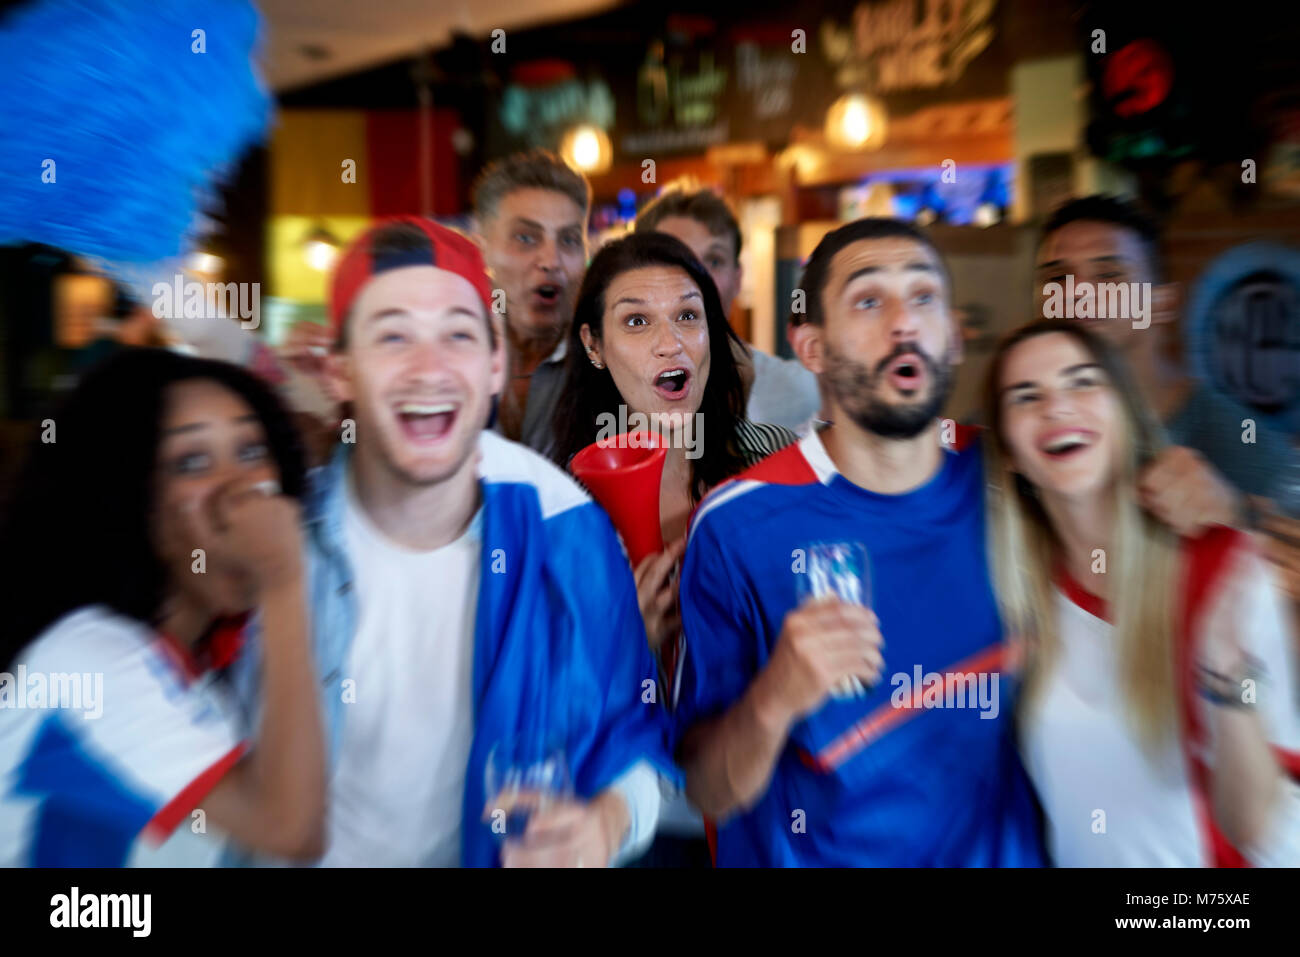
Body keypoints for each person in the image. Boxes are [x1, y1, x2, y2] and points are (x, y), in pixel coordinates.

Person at [226, 216, 676, 868]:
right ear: (339, 371)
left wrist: (607, 822)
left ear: (494, 364)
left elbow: (636, 748)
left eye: (458, 336)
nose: (429, 368)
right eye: (393, 336)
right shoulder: (270, 545)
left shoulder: (566, 533)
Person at [674, 218, 1046, 866]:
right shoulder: (737, 526)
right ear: (810, 346)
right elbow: (708, 787)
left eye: (924, 297)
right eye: (869, 300)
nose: (904, 322)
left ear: (954, 336)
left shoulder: (1018, 478)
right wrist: (775, 696)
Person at [983, 319, 1300, 866]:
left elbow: (1257, 827)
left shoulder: (1224, 564)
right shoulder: (1015, 591)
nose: (1057, 409)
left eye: (1083, 383)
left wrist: (1226, 673)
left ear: (1125, 413)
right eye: (1027, 397)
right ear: (1009, 452)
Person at [0, 349, 325, 866]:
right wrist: (283, 580)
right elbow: (291, 830)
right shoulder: (88, 657)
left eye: (250, 451)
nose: (243, 491)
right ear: (128, 500)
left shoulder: (203, 666)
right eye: (192, 462)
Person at [551, 232, 795, 867]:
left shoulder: (771, 456)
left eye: (689, 315)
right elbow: (546, 709)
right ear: (593, 347)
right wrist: (626, 643)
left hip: (766, 804)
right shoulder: (558, 506)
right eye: (636, 321)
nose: (671, 342)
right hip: (634, 827)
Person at [1035, 195, 1300, 523]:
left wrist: (1238, 516)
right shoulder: (1025, 422)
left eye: (1108, 274)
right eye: (1057, 278)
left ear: (1161, 302)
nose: (1075, 292)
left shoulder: (1238, 442)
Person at [635, 185, 821, 432]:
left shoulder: (802, 393)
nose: (699, 278)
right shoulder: (616, 393)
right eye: (676, 260)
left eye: (714, 260)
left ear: (737, 279)